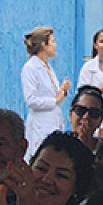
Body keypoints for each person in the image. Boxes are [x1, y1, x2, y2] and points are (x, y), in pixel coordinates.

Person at [20, 26, 71, 154]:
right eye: (53, 41)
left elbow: (50, 94)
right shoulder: (31, 68)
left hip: (53, 120)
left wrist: (62, 91)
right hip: (40, 124)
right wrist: (54, 100)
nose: (55, 45)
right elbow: (31, 100)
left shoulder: (46, 66)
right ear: (44, 45)